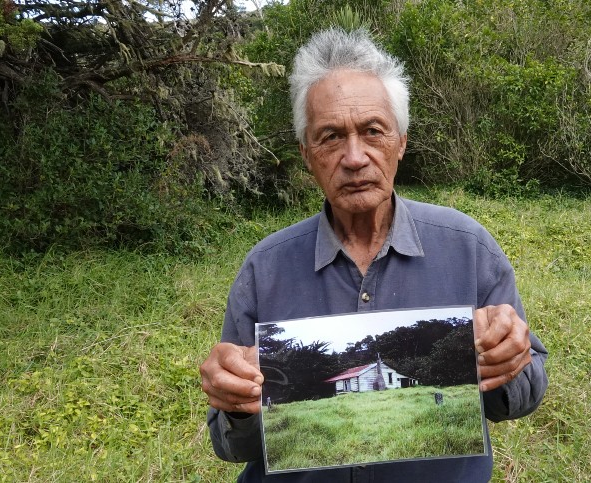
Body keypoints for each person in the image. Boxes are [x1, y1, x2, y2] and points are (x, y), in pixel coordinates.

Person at [199, 28, 548, 482]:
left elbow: (524, 393)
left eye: (373, 131)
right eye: (330, 136)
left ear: (400, 142)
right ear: (307, 155)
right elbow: (230, 444)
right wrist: (235, 405)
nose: (355, 156)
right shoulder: (265, 270)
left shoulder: (469, 248)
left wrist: (510, 362)